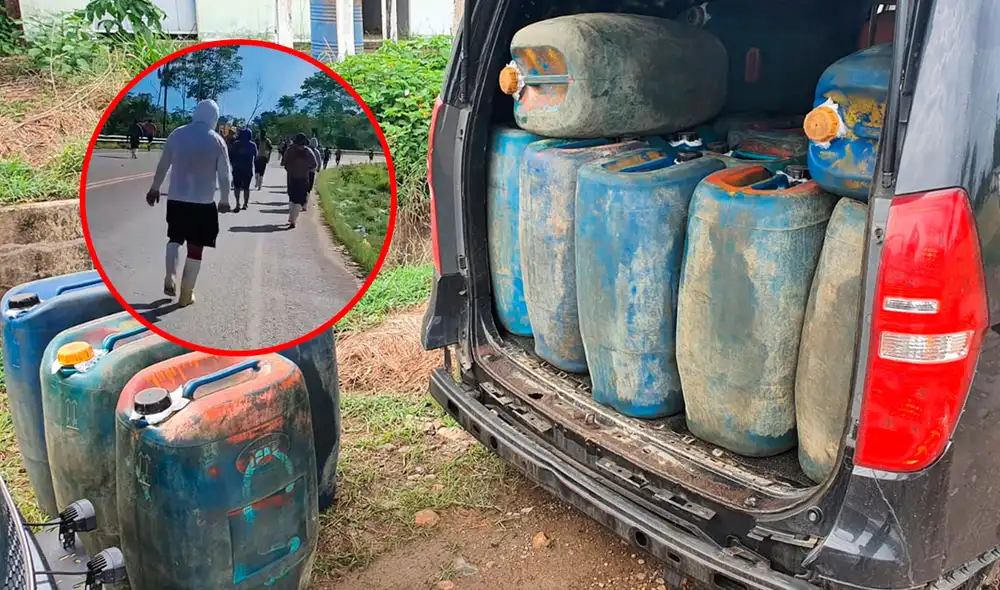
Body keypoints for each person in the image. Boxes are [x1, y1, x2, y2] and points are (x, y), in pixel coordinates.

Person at [145, 99, 231, 307]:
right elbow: (225, 175)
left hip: (176, 199)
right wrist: (225, 199)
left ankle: (170, 277)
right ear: (214, 117)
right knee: (195, 248)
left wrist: (155, 188)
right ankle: (186, 293)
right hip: (203, 203)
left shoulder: (177, 134)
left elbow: (163, 164)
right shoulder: (217, 141)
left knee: (174, 238)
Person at [281, 133, 317, 229]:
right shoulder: (308, 152)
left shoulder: (290, 150)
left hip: (291, 177)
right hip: (303, 178)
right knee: (300, 199)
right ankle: (293, 219)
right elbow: (314, 165)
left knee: (292, 197)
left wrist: (290, 169)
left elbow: (284, 163)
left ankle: (291, 217)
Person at [229, 128, 257, 211]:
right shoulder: (252, 145)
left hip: (237, 168)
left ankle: (238, 203)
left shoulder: (235, 144)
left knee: (237, 187)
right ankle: (245, 204)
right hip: (247, 169)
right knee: (246, 187)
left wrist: (232, 164)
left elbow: (230, 156)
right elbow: (256, 156)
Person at [306, 137, 323, 208]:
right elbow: (319, 162)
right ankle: (305, 203)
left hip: (305, 171)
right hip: (312, 171)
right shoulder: (317, 152)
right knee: (309, 187)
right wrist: (318, 169)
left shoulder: (306, 150)